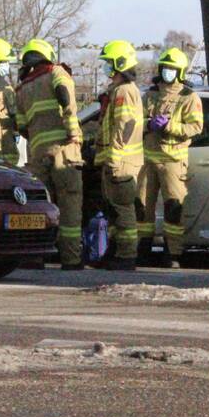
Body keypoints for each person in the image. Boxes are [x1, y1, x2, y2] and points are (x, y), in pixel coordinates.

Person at [15, 39, 83, 270]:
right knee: (69, 203)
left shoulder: (23, 86)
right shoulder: (57, 72)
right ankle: (71, 259)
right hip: (64, 149)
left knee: (40, 206)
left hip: (37, 153)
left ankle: (35, 256)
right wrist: (72, 131)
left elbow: (21, 124)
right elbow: (65, 97)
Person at [138, 47, 203, 267]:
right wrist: (149, 124)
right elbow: (137, 122)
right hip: (147, 160)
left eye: (172, 69)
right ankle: (143, 249)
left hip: (173, 160)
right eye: (165, 68)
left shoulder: (189, 97)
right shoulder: (150, 95)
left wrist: (170, 126)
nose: (167, 72)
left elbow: (196, 127)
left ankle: (172, 253)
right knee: (142, 206)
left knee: (173, 207)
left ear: (180, 71)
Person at [94, 40, 145, 270]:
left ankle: (126, 256)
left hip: (122, 162)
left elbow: (124, 125)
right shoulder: (118, 90)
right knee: (113, 210)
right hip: (116, 160)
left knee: (124, 210)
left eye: (108, 63)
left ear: (119, 64)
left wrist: (114, 156)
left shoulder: (124, 91)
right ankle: (114, 252)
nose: (106, 68)